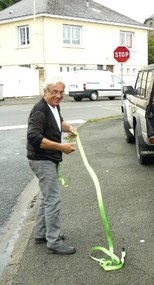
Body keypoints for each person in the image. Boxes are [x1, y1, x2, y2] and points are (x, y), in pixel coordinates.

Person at [27, 77, 77, 255]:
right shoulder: (40, 110)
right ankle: (54, 242)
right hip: (42, 160)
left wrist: (69, 128)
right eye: (54, 92)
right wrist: (61, 147)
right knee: (53, 201)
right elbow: (34, 137)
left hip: (49, 159)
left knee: (46, 199)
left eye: (61, 92)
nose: (58, 96)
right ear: (45, 92)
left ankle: (41, 234)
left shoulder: (53, 107)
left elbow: (58, 122)